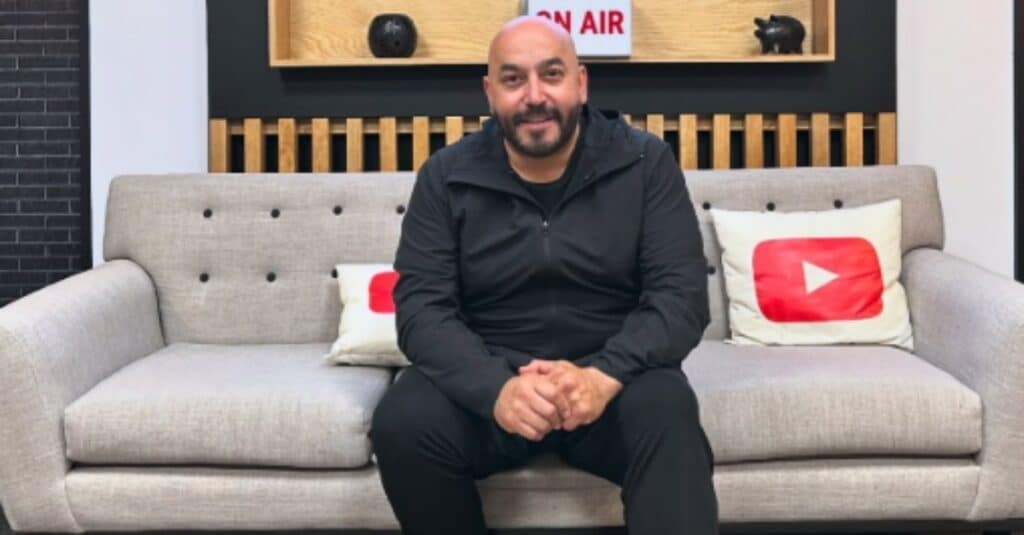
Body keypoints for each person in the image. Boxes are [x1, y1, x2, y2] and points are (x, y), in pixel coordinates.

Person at [369, 15, 718, 535]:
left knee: (669, 409)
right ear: (490, 93)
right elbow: (422, 311)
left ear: (580, 83)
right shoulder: (445, 176)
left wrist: (600, 378)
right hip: (491, 382)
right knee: (402, 422)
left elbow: (682, 298)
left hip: (612, 381)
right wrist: (497, 390)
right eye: (513, 80)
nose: (534, 96)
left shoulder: (646, 162)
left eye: (551, 75)